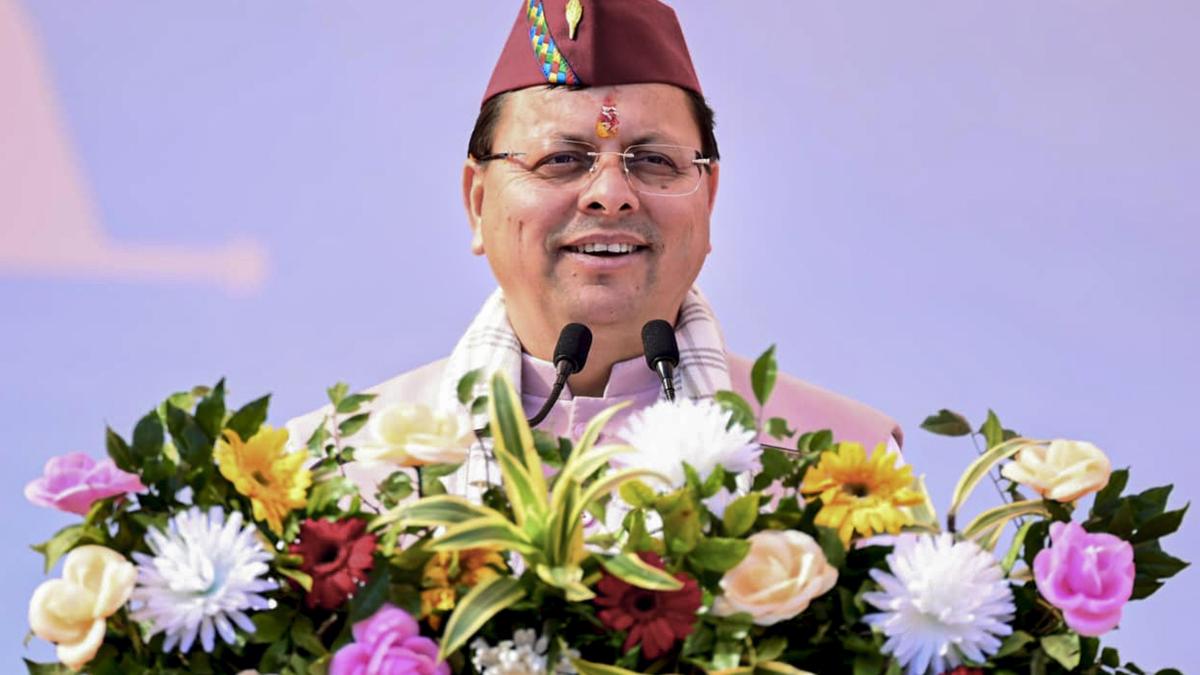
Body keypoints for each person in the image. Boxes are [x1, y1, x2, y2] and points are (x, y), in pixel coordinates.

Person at [288, 0, 901, 506]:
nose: (611, 194)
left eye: (654, 161)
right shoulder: (327, 470)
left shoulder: (847, 467)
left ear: (709, 199)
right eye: (561, 159)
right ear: (478, 201)